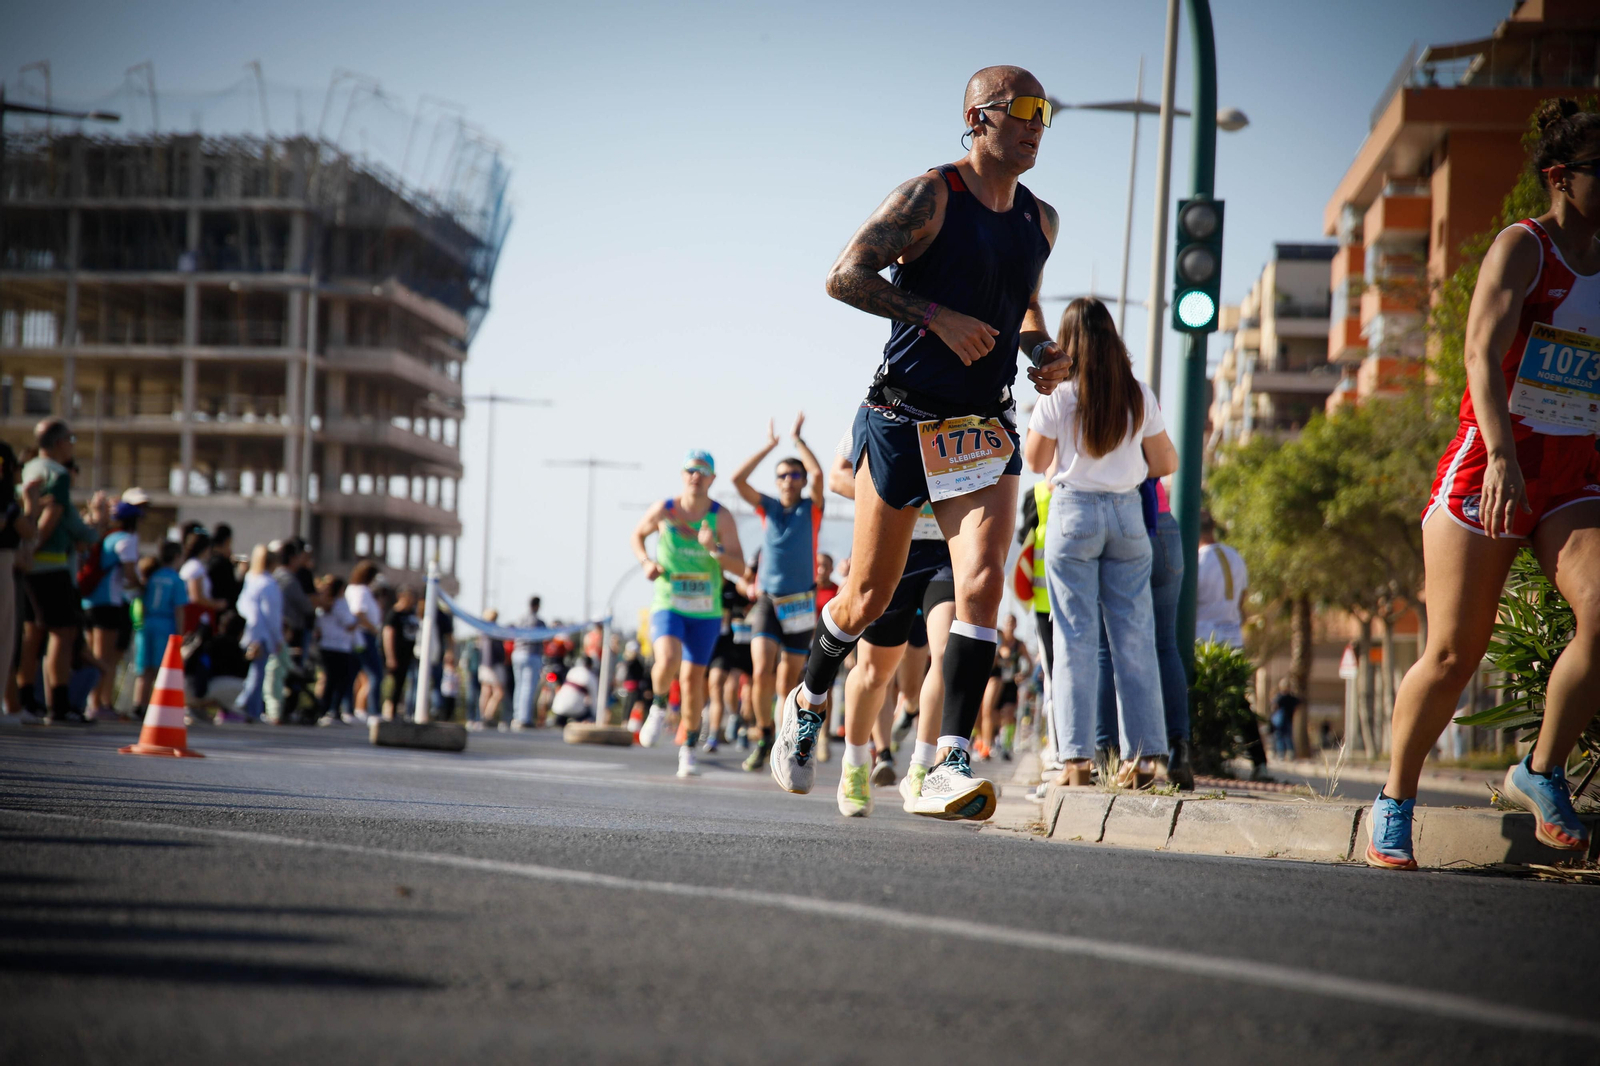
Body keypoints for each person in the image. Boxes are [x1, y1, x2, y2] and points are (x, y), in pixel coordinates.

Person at [770, 65, 1063, 822]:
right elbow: (845, 275)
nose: (1035, 123)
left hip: (979, 427)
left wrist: (1041, 353)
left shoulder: (1041, 220)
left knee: (985, 582)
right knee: (865, 597)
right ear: (978, 116)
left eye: (1045, 111)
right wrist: (936, 316)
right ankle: (807, 700)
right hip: (902, 419)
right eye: (1022, 109)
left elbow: (1022, 305)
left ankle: (947, 759)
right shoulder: (932, 195)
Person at [1373, 99, 1600, 870]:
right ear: (1560, 178)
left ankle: (1540, 773)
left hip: (1574, 474)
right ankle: (1395, 800)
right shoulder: (1524, 248)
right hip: (1491, 465)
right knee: (1450, 656)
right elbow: (1479, 355)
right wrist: (1502, 457)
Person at [1024, 297, 1178, 789]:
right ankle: (1146, 759)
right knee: (1135, 637)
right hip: (1129, 515)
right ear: (1113, 338)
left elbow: (1033, 459)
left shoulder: (1059, 396)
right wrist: (1125, 466)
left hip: (1073, 516)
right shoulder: (1139, 395)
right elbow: (1166, 462)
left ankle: (1076, 763)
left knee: (1074, 639)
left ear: (1066, 342)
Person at [827, 427, 958, 816]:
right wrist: (901, 499)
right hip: (887, 547)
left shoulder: (967, 407)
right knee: (873, 673)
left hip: (942, 553)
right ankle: (854, 763)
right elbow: (837, 477)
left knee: (948, 654)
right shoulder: (882, 406)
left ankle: (920, 769)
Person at [631, 450, 751, 778]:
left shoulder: (721, 517)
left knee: (692, 680)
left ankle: (688, 749)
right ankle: (657, 706)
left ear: (712, 479)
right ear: (682, 475)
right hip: (669, 600)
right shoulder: (665, 510)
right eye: (690, 470)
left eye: (702, 471)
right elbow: (637, 535)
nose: (695, 476)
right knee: (667, 659)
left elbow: (741, 568)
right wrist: (646, 562)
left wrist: (715, 549)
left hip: (705, 610)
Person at [730, 415, 825, 771]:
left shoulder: (811, 509)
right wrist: (769, 447)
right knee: (760, 671)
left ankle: (785, 735)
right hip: (768, 600)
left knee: (788, 679)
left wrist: (799, 441)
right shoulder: (767, 507)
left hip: (800, 602)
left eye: (794, 475)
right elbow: (737, 480)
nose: (788, 481)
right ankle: (762, 733)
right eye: (782, 475)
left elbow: (819, 476)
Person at [18, 419, 109, 725]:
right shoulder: (56, 473)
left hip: (31, 565)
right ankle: (58, 703)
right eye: (70, 439)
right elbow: (53, 516)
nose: (72, 445)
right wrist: (32, 545)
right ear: (58, 442)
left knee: (32, 632)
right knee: (62, 632)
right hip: (50, 564)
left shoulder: (30, 468)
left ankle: (26, 698)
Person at [1195, 511, 1268, 777]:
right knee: (1239, 702)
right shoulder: (1234, 556)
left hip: (1203, 640)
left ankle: (1203, 757)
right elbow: (1241, 601)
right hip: (1232, 638)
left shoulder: (1197, 561)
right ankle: (1259, 761)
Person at [81, 494, 146, 721]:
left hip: (88, 601)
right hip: (107, 603)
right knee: (105, 658)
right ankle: (97, 704)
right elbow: (130, 575)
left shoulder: (106, 537)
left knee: (91, 654)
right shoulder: (126, 540)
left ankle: (93, 701)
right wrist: (143, 585)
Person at [0, 442, 41, 721]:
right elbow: (28, 530)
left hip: (8, 564)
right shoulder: (5, 500)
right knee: (5, 638)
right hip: (3, 565)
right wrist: (31, 502)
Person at [128, 545, 187, 716]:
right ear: (176, 556)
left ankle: (139, 704)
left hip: (147, 624)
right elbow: (179, 609)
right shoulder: (176, 579)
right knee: (161, 670)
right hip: (165, 624)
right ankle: (157, 709)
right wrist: (180, 634)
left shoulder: (152, 576)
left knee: (144, 667)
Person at [234, 544, 283, 722]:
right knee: (257, 674)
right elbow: (272, 615)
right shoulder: (269, 583)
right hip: (263, 634)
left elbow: (241, 605)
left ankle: (251, 710)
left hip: (250, 631)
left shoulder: (251, 579)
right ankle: (244, 705)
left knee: (254, 672)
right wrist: (278, 637)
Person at [706, 575, 753, 755]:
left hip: (749, 645)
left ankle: (743, 730)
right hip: (729, 645)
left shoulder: (737, 588)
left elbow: (752, 605)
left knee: (749, 694)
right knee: (727, 688)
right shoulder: (711, 585)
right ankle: (732, 718)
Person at [979, 613, 1029, 760]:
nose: (1009, 626)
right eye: (1007, 622)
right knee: (989, 712)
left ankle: (1006, 746)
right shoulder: (997, 640)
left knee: (1008, 714)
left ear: (1016, 625)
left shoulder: (1019, 645)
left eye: (1012, 623)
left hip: (1009, 684)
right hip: (995, 680)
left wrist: (1023, 674)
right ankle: (986, 746)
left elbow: (1029, 665)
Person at [314, 574, 359, 725]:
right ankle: (332, 710)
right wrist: (358, 619)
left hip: (327, 645)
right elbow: (349, 624)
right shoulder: (339, 604)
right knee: (340, 681)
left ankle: (324, 709)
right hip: (339, 647)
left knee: (330, 680)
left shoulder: (324, 604)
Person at [345, 560, 384, 718]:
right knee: (375, 673)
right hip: (363, 637)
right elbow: (358, 613)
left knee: (353, 673)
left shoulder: (355, 589)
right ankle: (374, 711)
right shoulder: (360, 591)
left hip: (359, 636)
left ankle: (349, 709)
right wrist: (373, 629)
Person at [510, 596, 545, 730]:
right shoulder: (537, 621)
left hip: (517, 653)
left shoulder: (520, 618)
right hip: (531, 654)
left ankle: (517, 716)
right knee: (528, 688)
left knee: (519, 686)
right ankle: (524, 719)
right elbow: (545, 635)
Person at [476, 609, 508, 727]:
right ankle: (488, 716)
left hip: (484, 664)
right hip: (493, 664)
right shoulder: (493, 629)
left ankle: (483, 716)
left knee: (486, 690)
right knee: (498, 692)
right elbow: (491, 648)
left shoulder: (482, 629)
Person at [207, 523, 241, 611]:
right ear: (227, 541)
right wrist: (242, 574)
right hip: (223, 610)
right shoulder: (223, 564)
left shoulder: (207, 559)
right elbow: (233, 592)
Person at [1270, 678, 1300, 760]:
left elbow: (1274, 707)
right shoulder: (1291, 698)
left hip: (1281, 721)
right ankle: (1289, 753)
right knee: (1287, 737)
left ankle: (1282, 754)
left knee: (1280, 736)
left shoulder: (1279, 697)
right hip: (1286, 720)